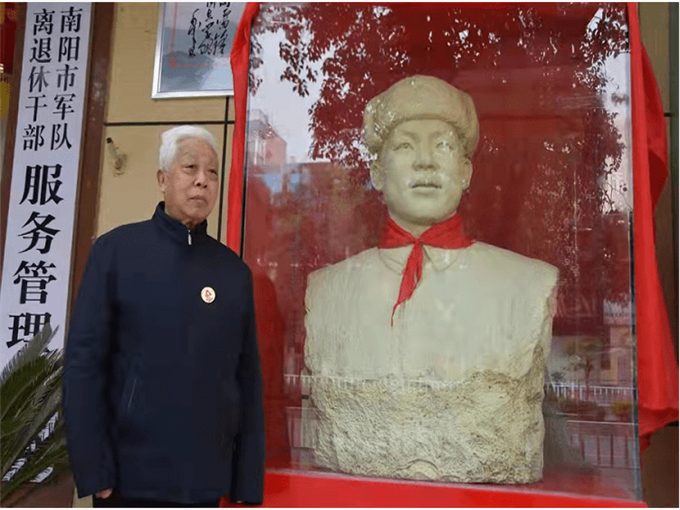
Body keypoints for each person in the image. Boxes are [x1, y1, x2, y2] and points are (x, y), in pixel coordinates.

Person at [304, 76, 558, 483]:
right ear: (377, 172)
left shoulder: (527, 285)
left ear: (466, 171)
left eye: (443, 146)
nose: (425, 161)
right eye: (405, 146)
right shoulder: (327, 292)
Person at [63, 126, 265, 507]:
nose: (203, 180)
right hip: (129, 479)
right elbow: (84, 366)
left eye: (212, 172)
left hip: (205, 481)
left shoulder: (233, 273)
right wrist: (94, 470)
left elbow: (246, 378)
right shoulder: (116, 252)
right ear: (162, 179)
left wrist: (246, 481)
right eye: (190, 168)